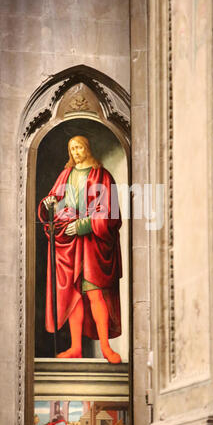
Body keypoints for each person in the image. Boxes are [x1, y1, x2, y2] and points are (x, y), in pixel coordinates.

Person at [38, 135, 122, 364]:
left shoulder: (102, 176)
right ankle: (75, 347)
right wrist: (49, 204)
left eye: (79, 147)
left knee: (95, 293)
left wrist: (84, 225)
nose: (76, 152)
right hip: (71, 246)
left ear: (87, 148)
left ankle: (105, 347)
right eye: (72, 148)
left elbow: (110, 214)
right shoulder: (66, 175)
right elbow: (55, 203)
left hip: (93, 244)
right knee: (74, 296)